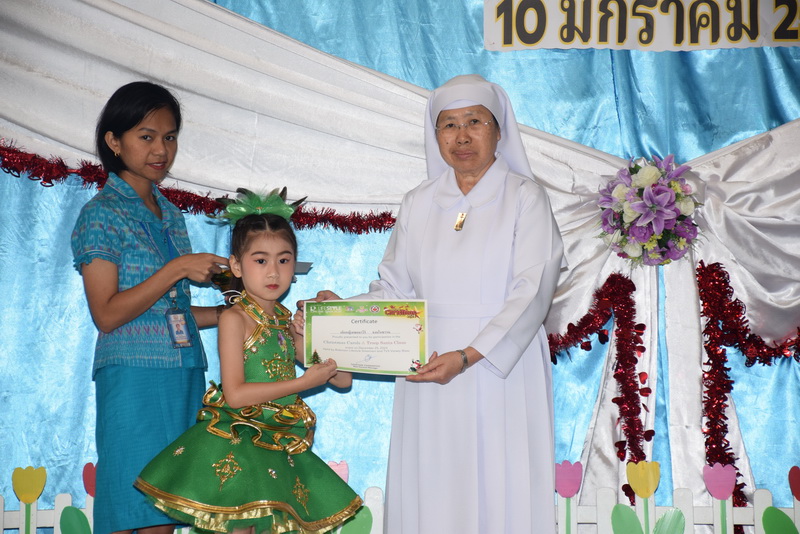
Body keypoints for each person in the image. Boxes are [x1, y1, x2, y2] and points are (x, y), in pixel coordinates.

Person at [308, 74, 565, 533]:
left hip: (499, 366)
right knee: (434, 486)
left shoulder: (525, 197)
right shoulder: (419, 201)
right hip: (426, 362)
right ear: (436, 134)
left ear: (498, 131)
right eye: (449, 124)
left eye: (475, 122)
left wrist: (467, 356)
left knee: (500, 483)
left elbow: (533, 290)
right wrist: (341, 313)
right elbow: (394, 289)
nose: (462, 136)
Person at [135, 189, 363, 533]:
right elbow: (236, 394)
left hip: (279, 440)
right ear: (236, 266)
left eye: (284, 260)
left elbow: (342, 379)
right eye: (260, 260)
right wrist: (303, 382)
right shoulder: (234, 318)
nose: (273, 272)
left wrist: (329, 327)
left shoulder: (286, 320)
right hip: (239, 438)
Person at [70, 81, 229, 534]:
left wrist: (228, 315)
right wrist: (177, 268)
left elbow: (169, 313)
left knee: (164, 511)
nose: (161, 149)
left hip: (183, 372)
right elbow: (107, 314)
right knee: (129, 503)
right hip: (134, 375)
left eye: (170, 137)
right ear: (114, 141)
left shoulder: (170, 214)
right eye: (147, 136)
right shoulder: (102, 213)